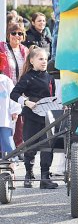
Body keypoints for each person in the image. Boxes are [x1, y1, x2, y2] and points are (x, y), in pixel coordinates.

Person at [10, 46, 58, 189]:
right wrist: (26, 102)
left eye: (45, 59)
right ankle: (28, 175)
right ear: (32, 61)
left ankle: (45, 177)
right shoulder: (27, 77)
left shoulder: (50, 77)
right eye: (40, 59)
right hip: (31, 116)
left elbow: (53, 96)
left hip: (47, 116)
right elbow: (14, 94)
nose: (44, 62)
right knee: (30, 146)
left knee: (47, 146)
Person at [0, 23, 29, 150]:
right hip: (5, 89)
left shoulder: (25, 51)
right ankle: (6, 149)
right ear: (8, 35)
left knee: (20, 119)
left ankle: (18, 146)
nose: (16, 36)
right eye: (13, 33)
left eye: (20, 33)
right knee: (7, 120)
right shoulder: (2, 48)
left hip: (21, 90)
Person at [0, 52, 21, 160]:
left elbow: (13, 96)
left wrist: (15, 110)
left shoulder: (5, 80)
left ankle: (12, 160)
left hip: (4, 116)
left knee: (6, 139)